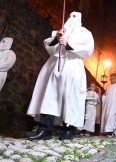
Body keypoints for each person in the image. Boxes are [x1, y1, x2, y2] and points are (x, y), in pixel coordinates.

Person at [26, 11, 94, 140]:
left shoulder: (84, 32)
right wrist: (57, 39)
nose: (71, 19)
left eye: (74, 17)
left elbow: (88, 49)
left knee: (70, 97)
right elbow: (49, 46)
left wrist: (68, 45)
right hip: (56, 64)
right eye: (69, 16)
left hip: (72, 65)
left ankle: (68, 129)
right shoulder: (59, 31)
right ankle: (45, 128)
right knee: (50, 95)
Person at [100, 73, 116, 138]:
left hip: (115, 104)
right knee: (107, 116)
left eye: (113, 79)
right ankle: (110, 131)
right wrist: (104, 97)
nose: (112, 80)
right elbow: (106, 95)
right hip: (108, 104)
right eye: (111, 79)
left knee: (112, 116)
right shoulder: (109, 86)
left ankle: (110, 131)